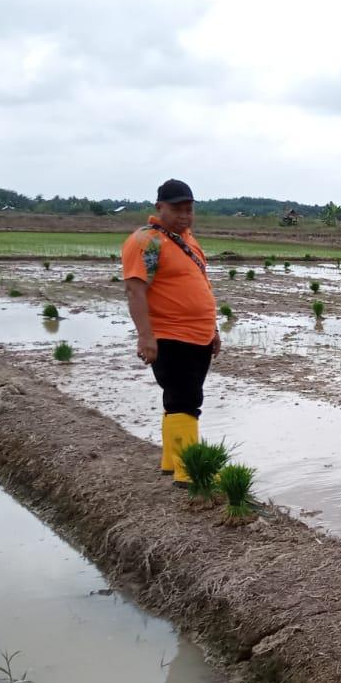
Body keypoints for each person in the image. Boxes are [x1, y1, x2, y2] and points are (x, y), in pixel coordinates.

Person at [121, 179, 219, 486]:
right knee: (185, 401)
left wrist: (213, 329)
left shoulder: (188, 240)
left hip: (198, 335)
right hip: (171, 335)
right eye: (177, 209)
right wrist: (145, 336)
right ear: (159, 207)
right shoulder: (145, 242)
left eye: (189, 209)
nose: (184, 215)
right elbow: (135, 292)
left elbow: (201, 284)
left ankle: (171, 462)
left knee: (178, 398)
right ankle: (189, 473)